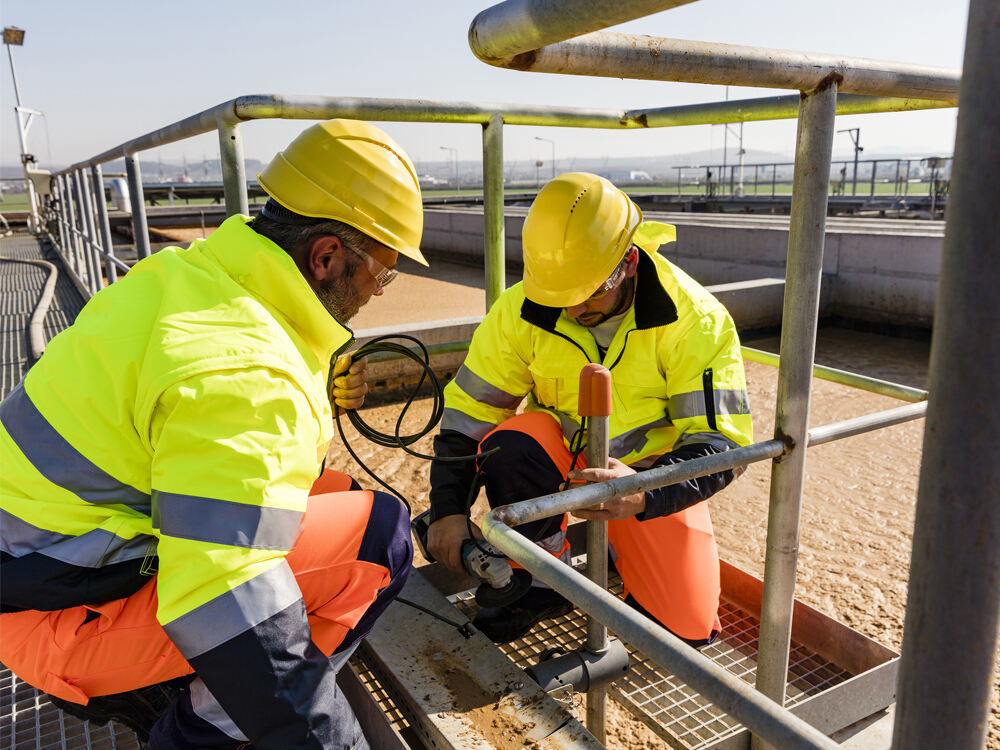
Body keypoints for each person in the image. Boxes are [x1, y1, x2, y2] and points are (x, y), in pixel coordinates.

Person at [0, 119, 426, 749]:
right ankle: (196, 734)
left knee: (330, 493)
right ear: (326, 256)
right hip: (58, 622)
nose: (379, 293)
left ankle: (186, 695)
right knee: (381, 538)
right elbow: (225, 594)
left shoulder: (189, 276)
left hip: (48, 568)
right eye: (383, 275)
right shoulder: (248, 371)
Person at [426, 172, 753, 645]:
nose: (574, 311)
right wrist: (447, 510)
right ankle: (541, 579)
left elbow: (723, 444)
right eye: (560, 297)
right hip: (557, 460)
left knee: (685, 630)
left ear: (629, 262)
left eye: (588, 294)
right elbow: (468, 415)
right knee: (510, 445)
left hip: (644, 476)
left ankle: (632, 567)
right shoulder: (521, 310)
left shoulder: (695, 321)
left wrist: (642, 491)